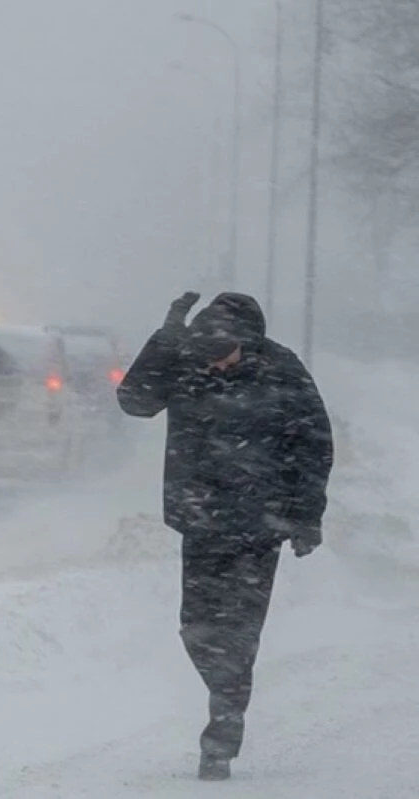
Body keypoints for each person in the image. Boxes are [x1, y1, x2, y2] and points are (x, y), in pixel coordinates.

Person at [116, 291, 334, 781]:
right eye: (208, 354)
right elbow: (134, 401)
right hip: (201, 520)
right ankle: (227, 692)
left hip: (261, 525)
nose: (217, 364)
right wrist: (166, 339)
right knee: (195, 627)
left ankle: (222, 729)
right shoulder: (187, 361)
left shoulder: (282, 370)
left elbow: (314, 444)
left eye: (225, 353)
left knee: (238, 631)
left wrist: (306, 515)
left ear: (248, 341)